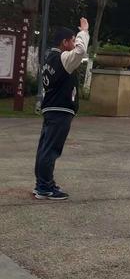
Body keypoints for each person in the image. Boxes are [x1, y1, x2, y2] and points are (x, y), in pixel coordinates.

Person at [33, 18, 89, 200]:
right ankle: (44, 187)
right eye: (72, 40)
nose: (74, 44)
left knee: (45, 148)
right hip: (60, 110)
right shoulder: (63, 57)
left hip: (51, 108)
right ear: (64, 42)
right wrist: (84, 32)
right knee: (51, 149)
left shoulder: (50, 58)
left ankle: (42, 184)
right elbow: (81, 51)